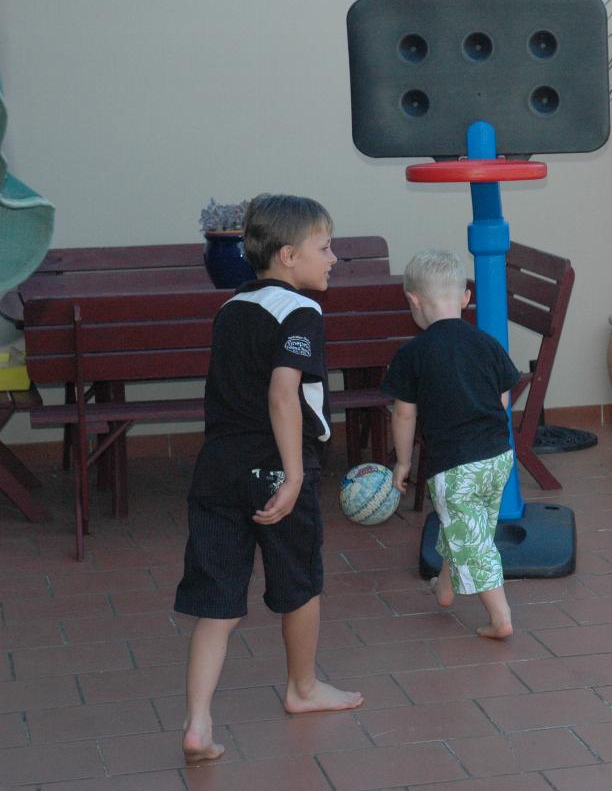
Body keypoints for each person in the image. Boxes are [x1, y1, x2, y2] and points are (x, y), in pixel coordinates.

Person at [175, 194, 363, 764]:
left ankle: (198, 722)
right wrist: (295, 473)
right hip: (274, 469)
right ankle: (302, 688)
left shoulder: (230, 308)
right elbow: (284, 393)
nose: (334, 258)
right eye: (324, 247)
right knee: (299, 584)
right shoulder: (301, 313)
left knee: (218, 603)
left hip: (217, 471)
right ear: (287, 256)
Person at [383, 249, 521, 639]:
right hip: (497, 458)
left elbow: (404, 414)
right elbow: (504, 398)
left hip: (454, 464)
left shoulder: (412, 354)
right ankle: (445, 588)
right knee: (466, 525)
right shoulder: (486, 343)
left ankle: (501, 617)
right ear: (465, 298)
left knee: (473, 541)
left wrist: (404, 462)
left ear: (413, 300)